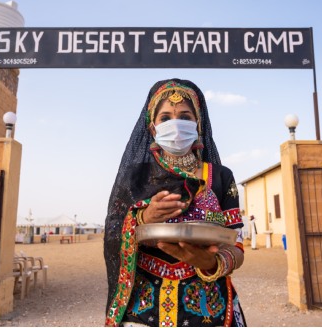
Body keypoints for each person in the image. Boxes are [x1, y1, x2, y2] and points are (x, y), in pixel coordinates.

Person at [104, 79, 247, 327]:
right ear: (152, 128)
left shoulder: (221, 177)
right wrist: (143, 219)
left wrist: (211, 263)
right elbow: (113, 234)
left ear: (198, 124)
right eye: (166, 118)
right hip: (143, 309)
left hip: (209, 308)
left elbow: (237, 245)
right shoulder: (135, 177)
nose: (176, 125)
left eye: (185, 116)